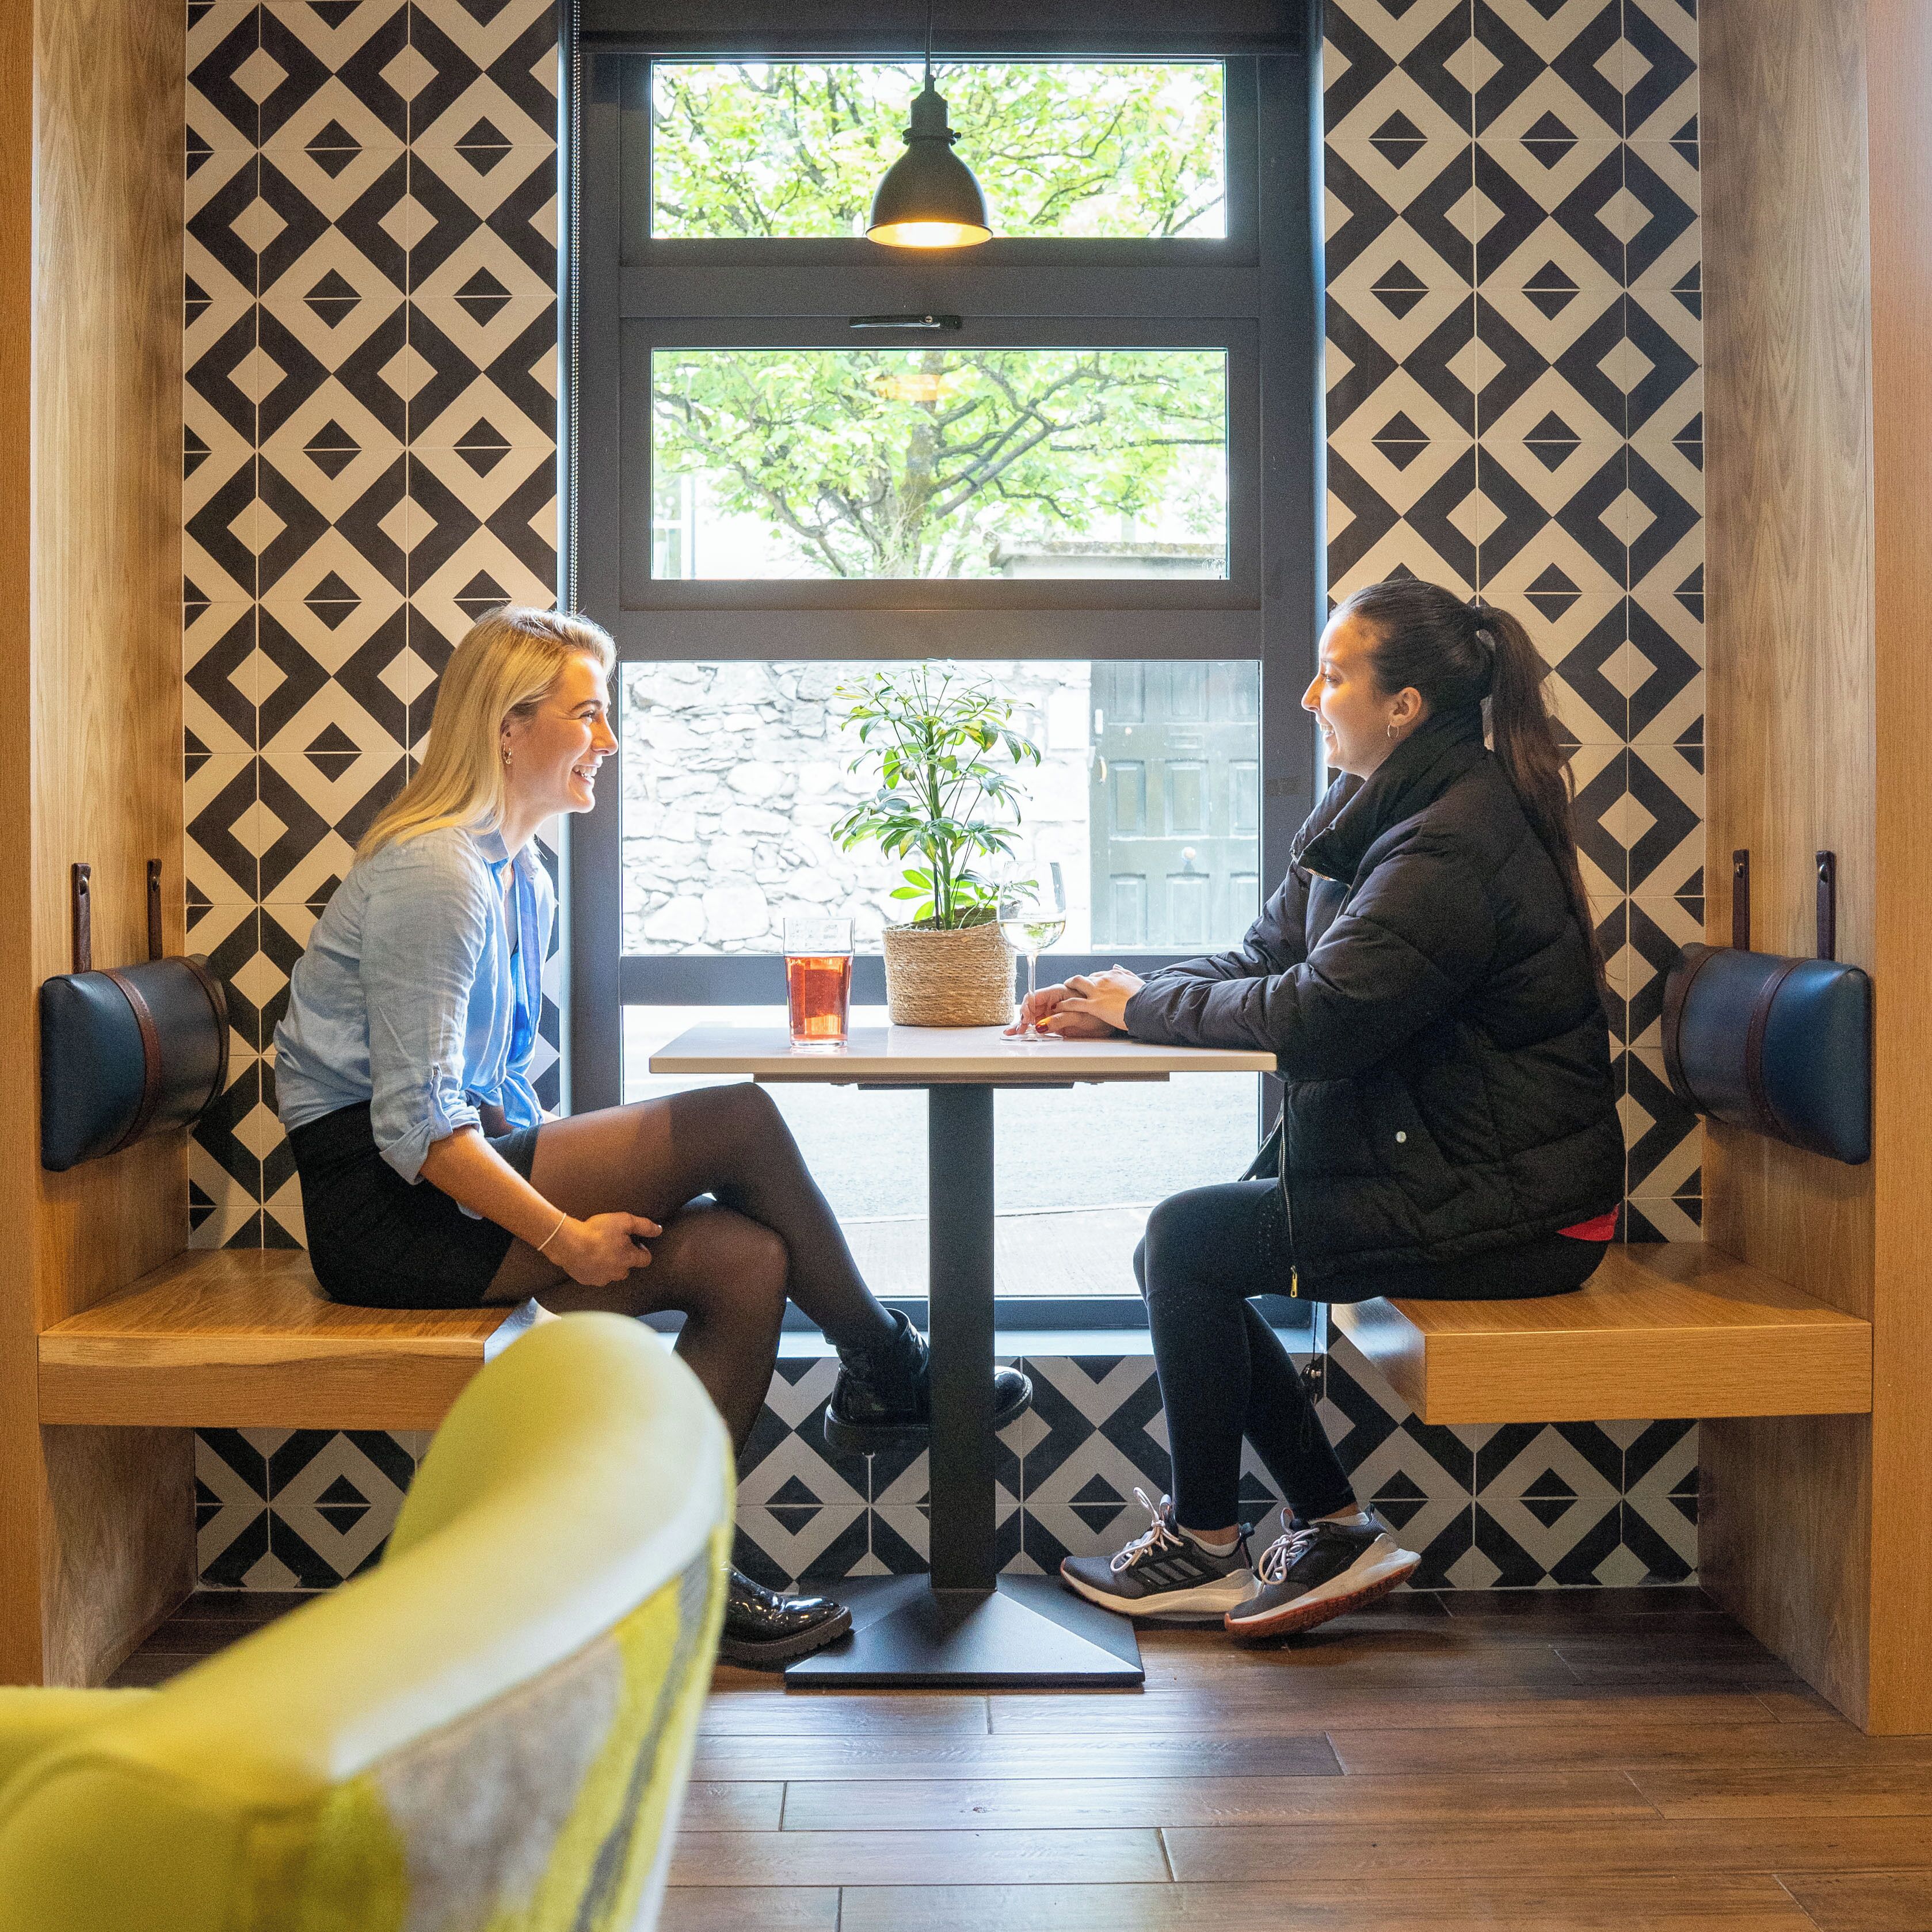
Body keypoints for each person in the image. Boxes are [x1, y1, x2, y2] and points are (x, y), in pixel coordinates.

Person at [273, 606, 1031, 1666]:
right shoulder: (435, 875)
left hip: (457, 1177)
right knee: (738, 1119)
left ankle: (685, 1576)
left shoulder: (516, 873)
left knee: (745, 1256)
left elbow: (492, 1098)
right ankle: (882, 1359)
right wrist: (567, 1237)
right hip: (387, 1211)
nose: (609, 741)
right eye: (589, 714)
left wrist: (581, 1200)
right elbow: (416, 1128)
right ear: (508, 726)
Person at [1020, 580, 1624, 1641]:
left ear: (1404, 706)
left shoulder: (1448, 840)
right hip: (1454, 1174)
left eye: (1334, 675)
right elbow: (1267, 959)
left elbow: (1322, 1015)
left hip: (1526, 1214)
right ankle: (1325, 1526)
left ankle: (1210, 1543)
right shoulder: (1377, 812)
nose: (1309, 695)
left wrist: (1144, 1008)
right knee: (1188, 1248)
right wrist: (1112, 999)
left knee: (1185, 1243)